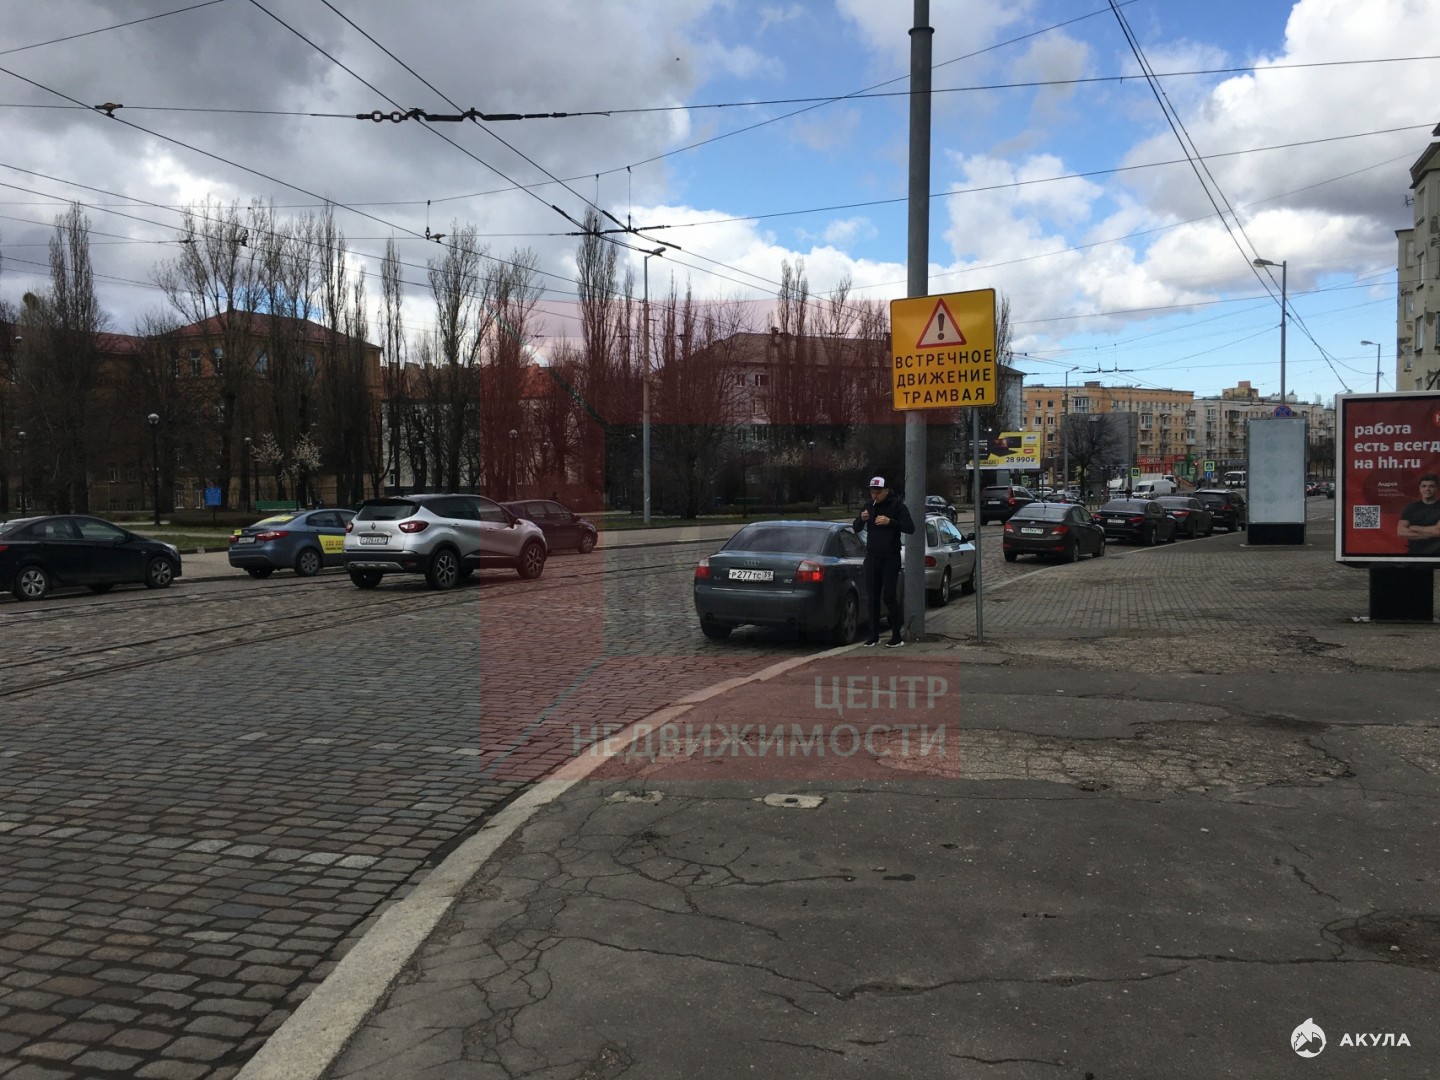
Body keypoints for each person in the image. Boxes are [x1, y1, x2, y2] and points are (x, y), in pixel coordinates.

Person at [853, 475, 915, 648]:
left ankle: (896, 636)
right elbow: (856, 527)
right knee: (872, 597)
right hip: (872, 557)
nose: (875, 495)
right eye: (872, 492)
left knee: (889, 596)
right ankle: (873, 636)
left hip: (890, 557)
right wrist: (861, 519)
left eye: (878, 492)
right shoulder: (869, 505)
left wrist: (890, 522)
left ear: (886, 490)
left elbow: (910, 527)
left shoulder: (897, 505)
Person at [1397, 473, 1440, 556]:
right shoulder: (1411, 508)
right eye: (1424, 486)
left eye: (1431, 486)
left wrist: (1413, 527)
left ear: (1437, 488)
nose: (1427, 489)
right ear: (1420, 488)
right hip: (1414, 554)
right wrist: (1429, 535)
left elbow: (1438, 532)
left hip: (1437, 556)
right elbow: (1401, 532)